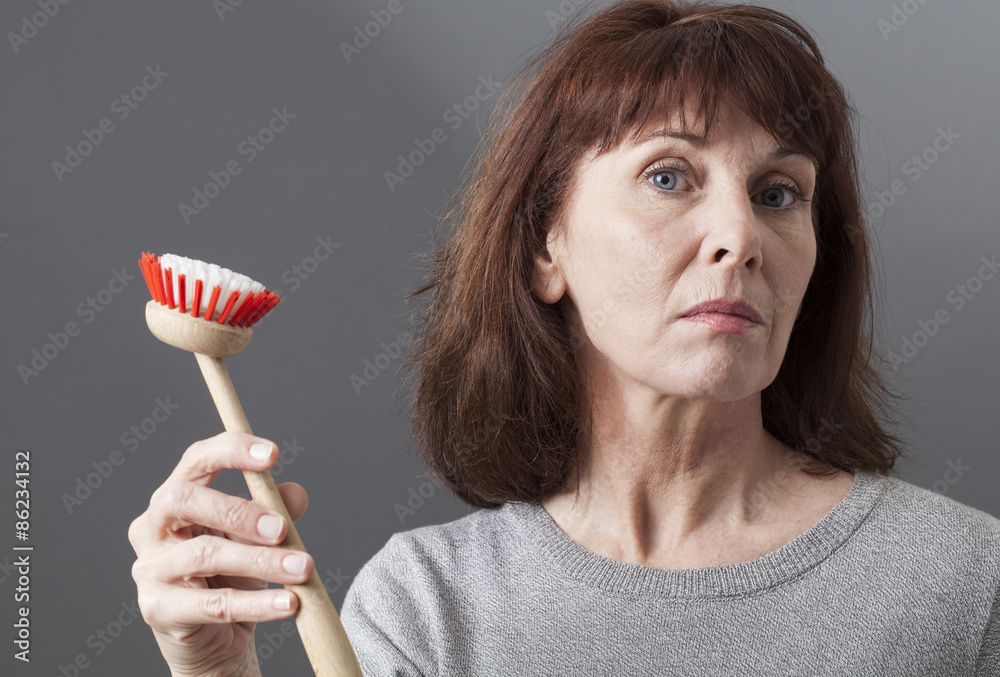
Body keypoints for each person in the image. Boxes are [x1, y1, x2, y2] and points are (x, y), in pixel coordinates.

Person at [127, 0, 1000, 675]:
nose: (740, 236)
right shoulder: (427, 607)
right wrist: (214, 671)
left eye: (779, 193)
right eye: (669, 176)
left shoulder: (964, 580)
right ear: (547, 247)